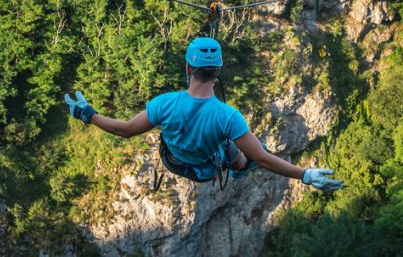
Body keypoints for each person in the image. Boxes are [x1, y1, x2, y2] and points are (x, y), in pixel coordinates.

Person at [65, 37, 344, 192]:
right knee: (246, 153)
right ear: (218, 71)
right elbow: (263, 159)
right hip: (207, 167)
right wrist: (305, 175)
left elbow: (125, 130)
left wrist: (88, 114)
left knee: (243, 148)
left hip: (173, 160)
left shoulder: (164, 104)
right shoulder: (228, 117)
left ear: (188, 69)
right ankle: (238, 167)